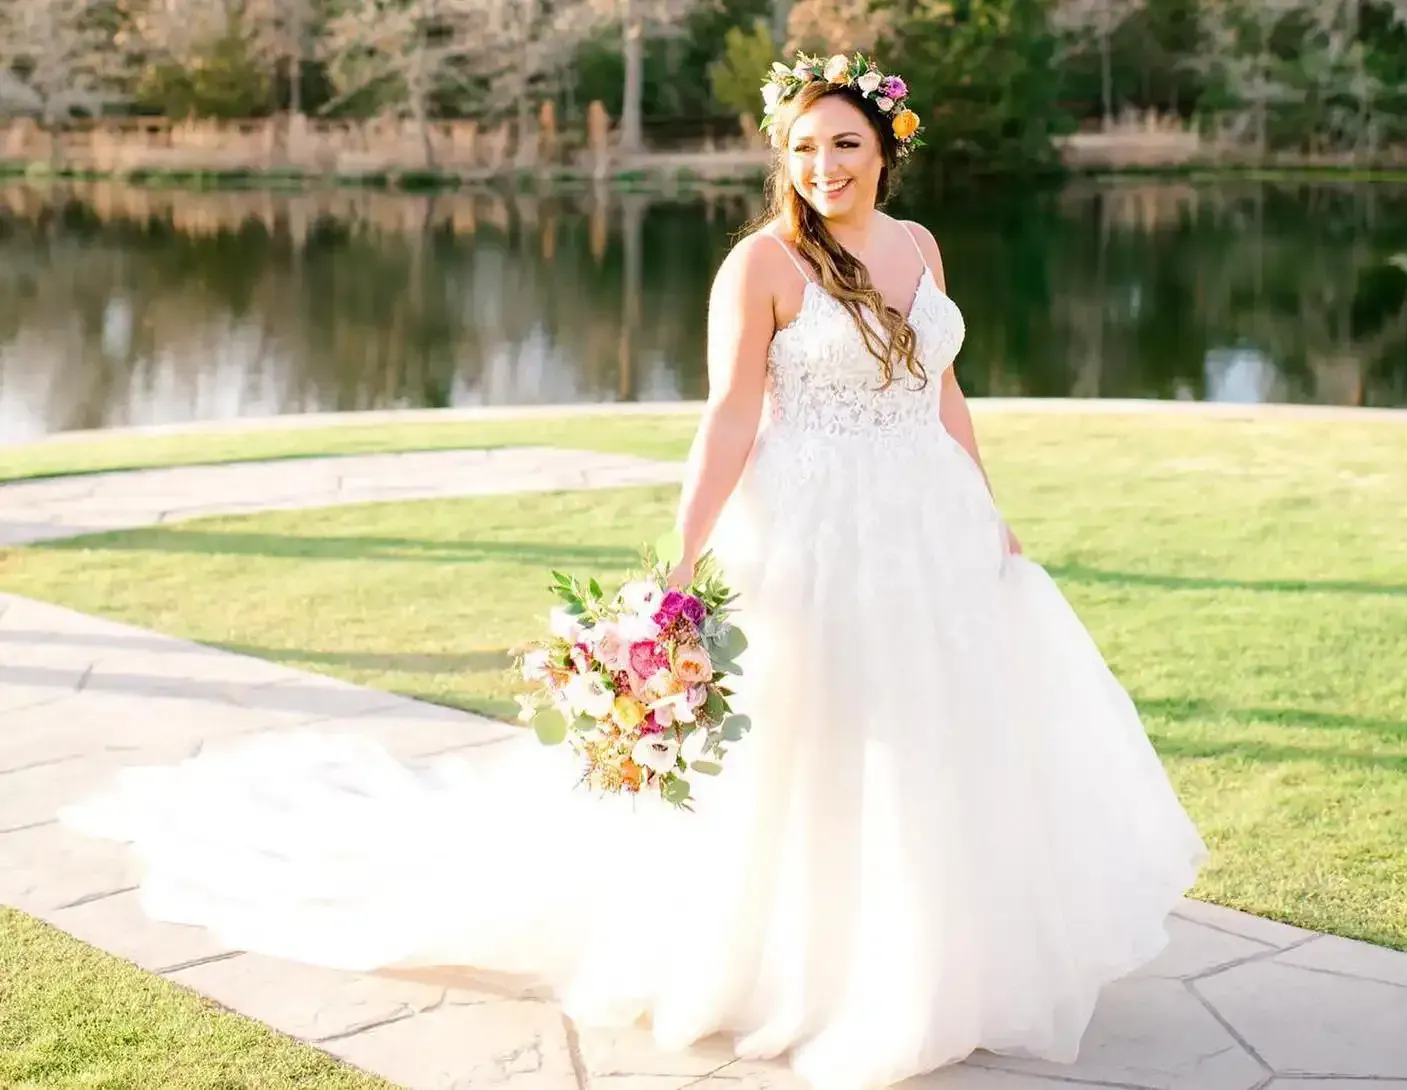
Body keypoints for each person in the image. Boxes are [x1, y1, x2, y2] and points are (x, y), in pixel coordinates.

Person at [59, 52, 1207, 1090]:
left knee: (936, 735)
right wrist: (683, 553)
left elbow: (940, 387)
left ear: (887, 149)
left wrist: (989, 508)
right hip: (812, 527)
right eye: (804, 147)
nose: (824, 165)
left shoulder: (918, 248)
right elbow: (728, 416)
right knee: (814, 739)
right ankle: (793, 968)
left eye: (846, 144)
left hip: (930, 525)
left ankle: (933, 958)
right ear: (783, 155)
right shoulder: (760, 264)